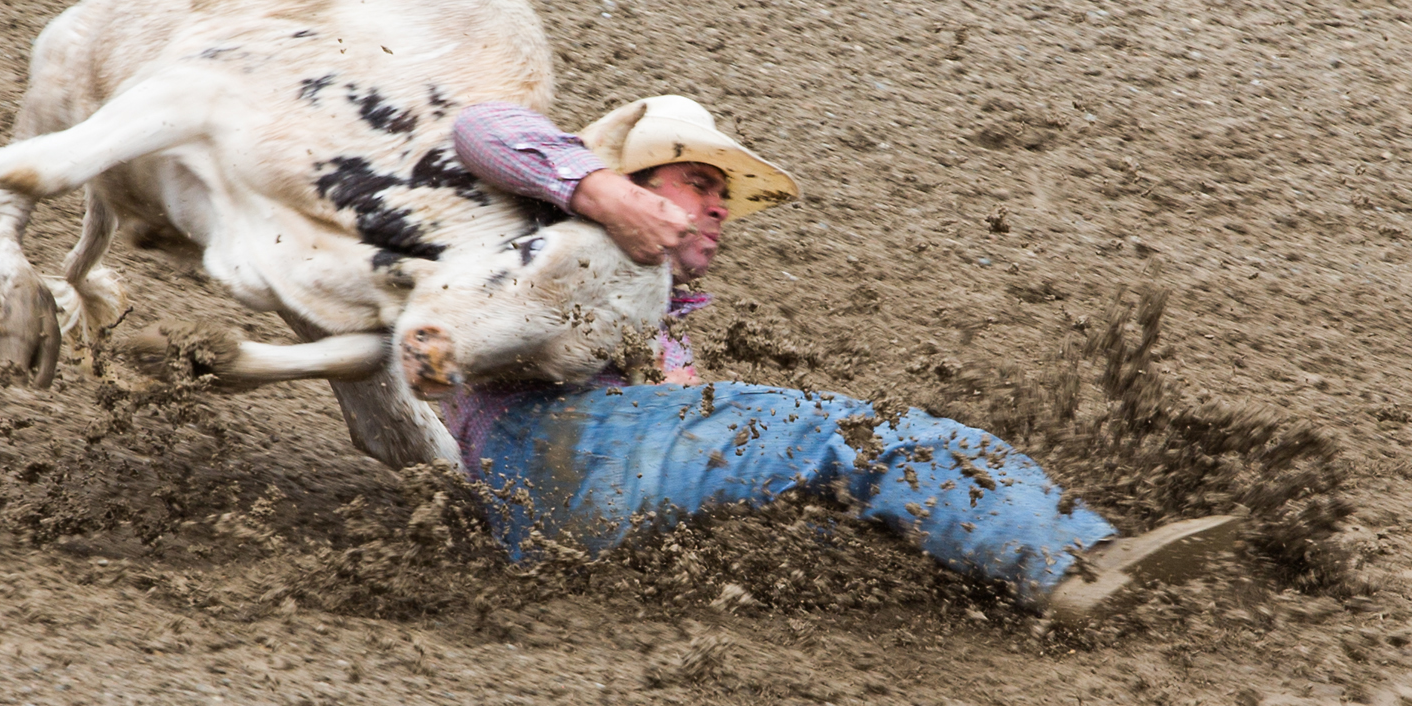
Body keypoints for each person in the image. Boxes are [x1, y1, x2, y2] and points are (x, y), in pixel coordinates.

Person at [444, 95, 1240, 623]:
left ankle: (1033, 581)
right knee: (854, 437)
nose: (719, 204)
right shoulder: (558, 229)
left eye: (723, 192)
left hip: (550, 501)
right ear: (636, 181)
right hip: (557, 442)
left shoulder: (656, 325)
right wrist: (601, 194)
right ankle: (1069, 563)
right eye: (697, 182)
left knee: (843, 516)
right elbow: (479, 125)